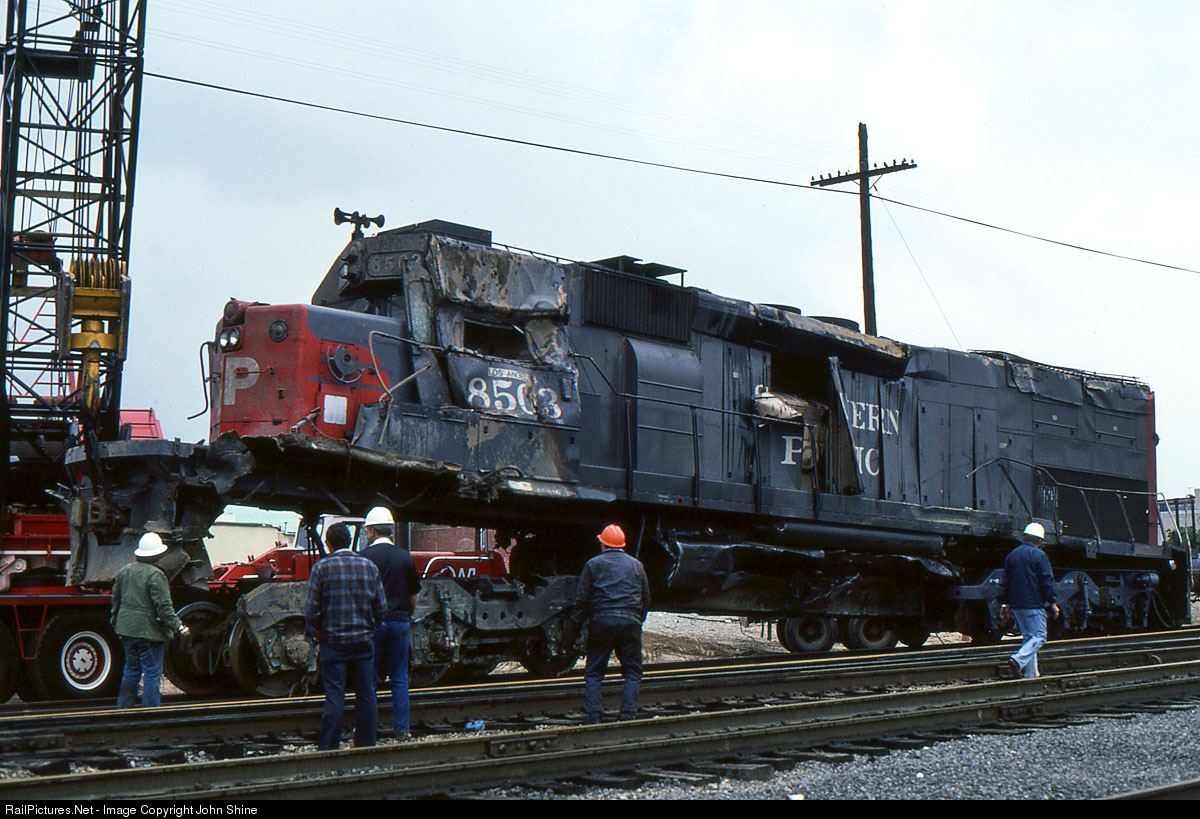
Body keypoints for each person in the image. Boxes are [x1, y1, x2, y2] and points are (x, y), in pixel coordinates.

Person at [303, 521, 387, 750]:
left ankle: (329, 746)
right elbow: (381, 607)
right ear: (350, 541)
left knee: (335, 695)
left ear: (328, 544)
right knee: (366, 694)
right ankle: (366, 743)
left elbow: (310, 609)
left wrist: (314, 632)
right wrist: (372, 627)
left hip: (333, 643)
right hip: (363, 642)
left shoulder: (321, 568)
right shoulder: (369, 567)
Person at [568, 524, 651, 723]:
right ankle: (628, 715)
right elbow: (646, 599)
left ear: (603, 544)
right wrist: (637, 620)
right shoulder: (636, 565)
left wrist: (571, 632)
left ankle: (593, 716)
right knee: (632, 672)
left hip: (602, 622)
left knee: (594, 673)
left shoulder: (592, 564)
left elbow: (581, 602)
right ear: (622, 545)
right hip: (630, 622)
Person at [359, 506, 421, 739]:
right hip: (399, 622)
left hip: (372, 624)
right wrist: (408, 614)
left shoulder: (364, 557)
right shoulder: (404, 556)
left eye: (367, 531)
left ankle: (368, 730)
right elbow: (414, 595)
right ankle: (402, 729)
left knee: (369, 678)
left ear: (373, 531)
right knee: (399, 678)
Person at [111, 532, 188, 709]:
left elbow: (115, 600)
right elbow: (164, 608)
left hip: (126, 629)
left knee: (131, 669)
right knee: (152, 673)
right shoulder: (156, 575)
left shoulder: (125, 571)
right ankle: (150, 712)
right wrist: (179, 627)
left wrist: (115, 621)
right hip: (148, 633)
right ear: (158, 555)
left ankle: (123, 709)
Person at [1000, 522, 1059, 679]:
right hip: (1033, 604)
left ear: (1024, 537)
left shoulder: (1012, 555)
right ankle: (1018, 660)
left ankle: (1031, 674)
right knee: (1040, 636)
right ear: (1040, 540)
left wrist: (1005, 603)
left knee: (1029, 638)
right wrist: (1052, 602)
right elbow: (1046, 581)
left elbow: (1005, 581)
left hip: (1016, 604)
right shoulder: (1040, 556)